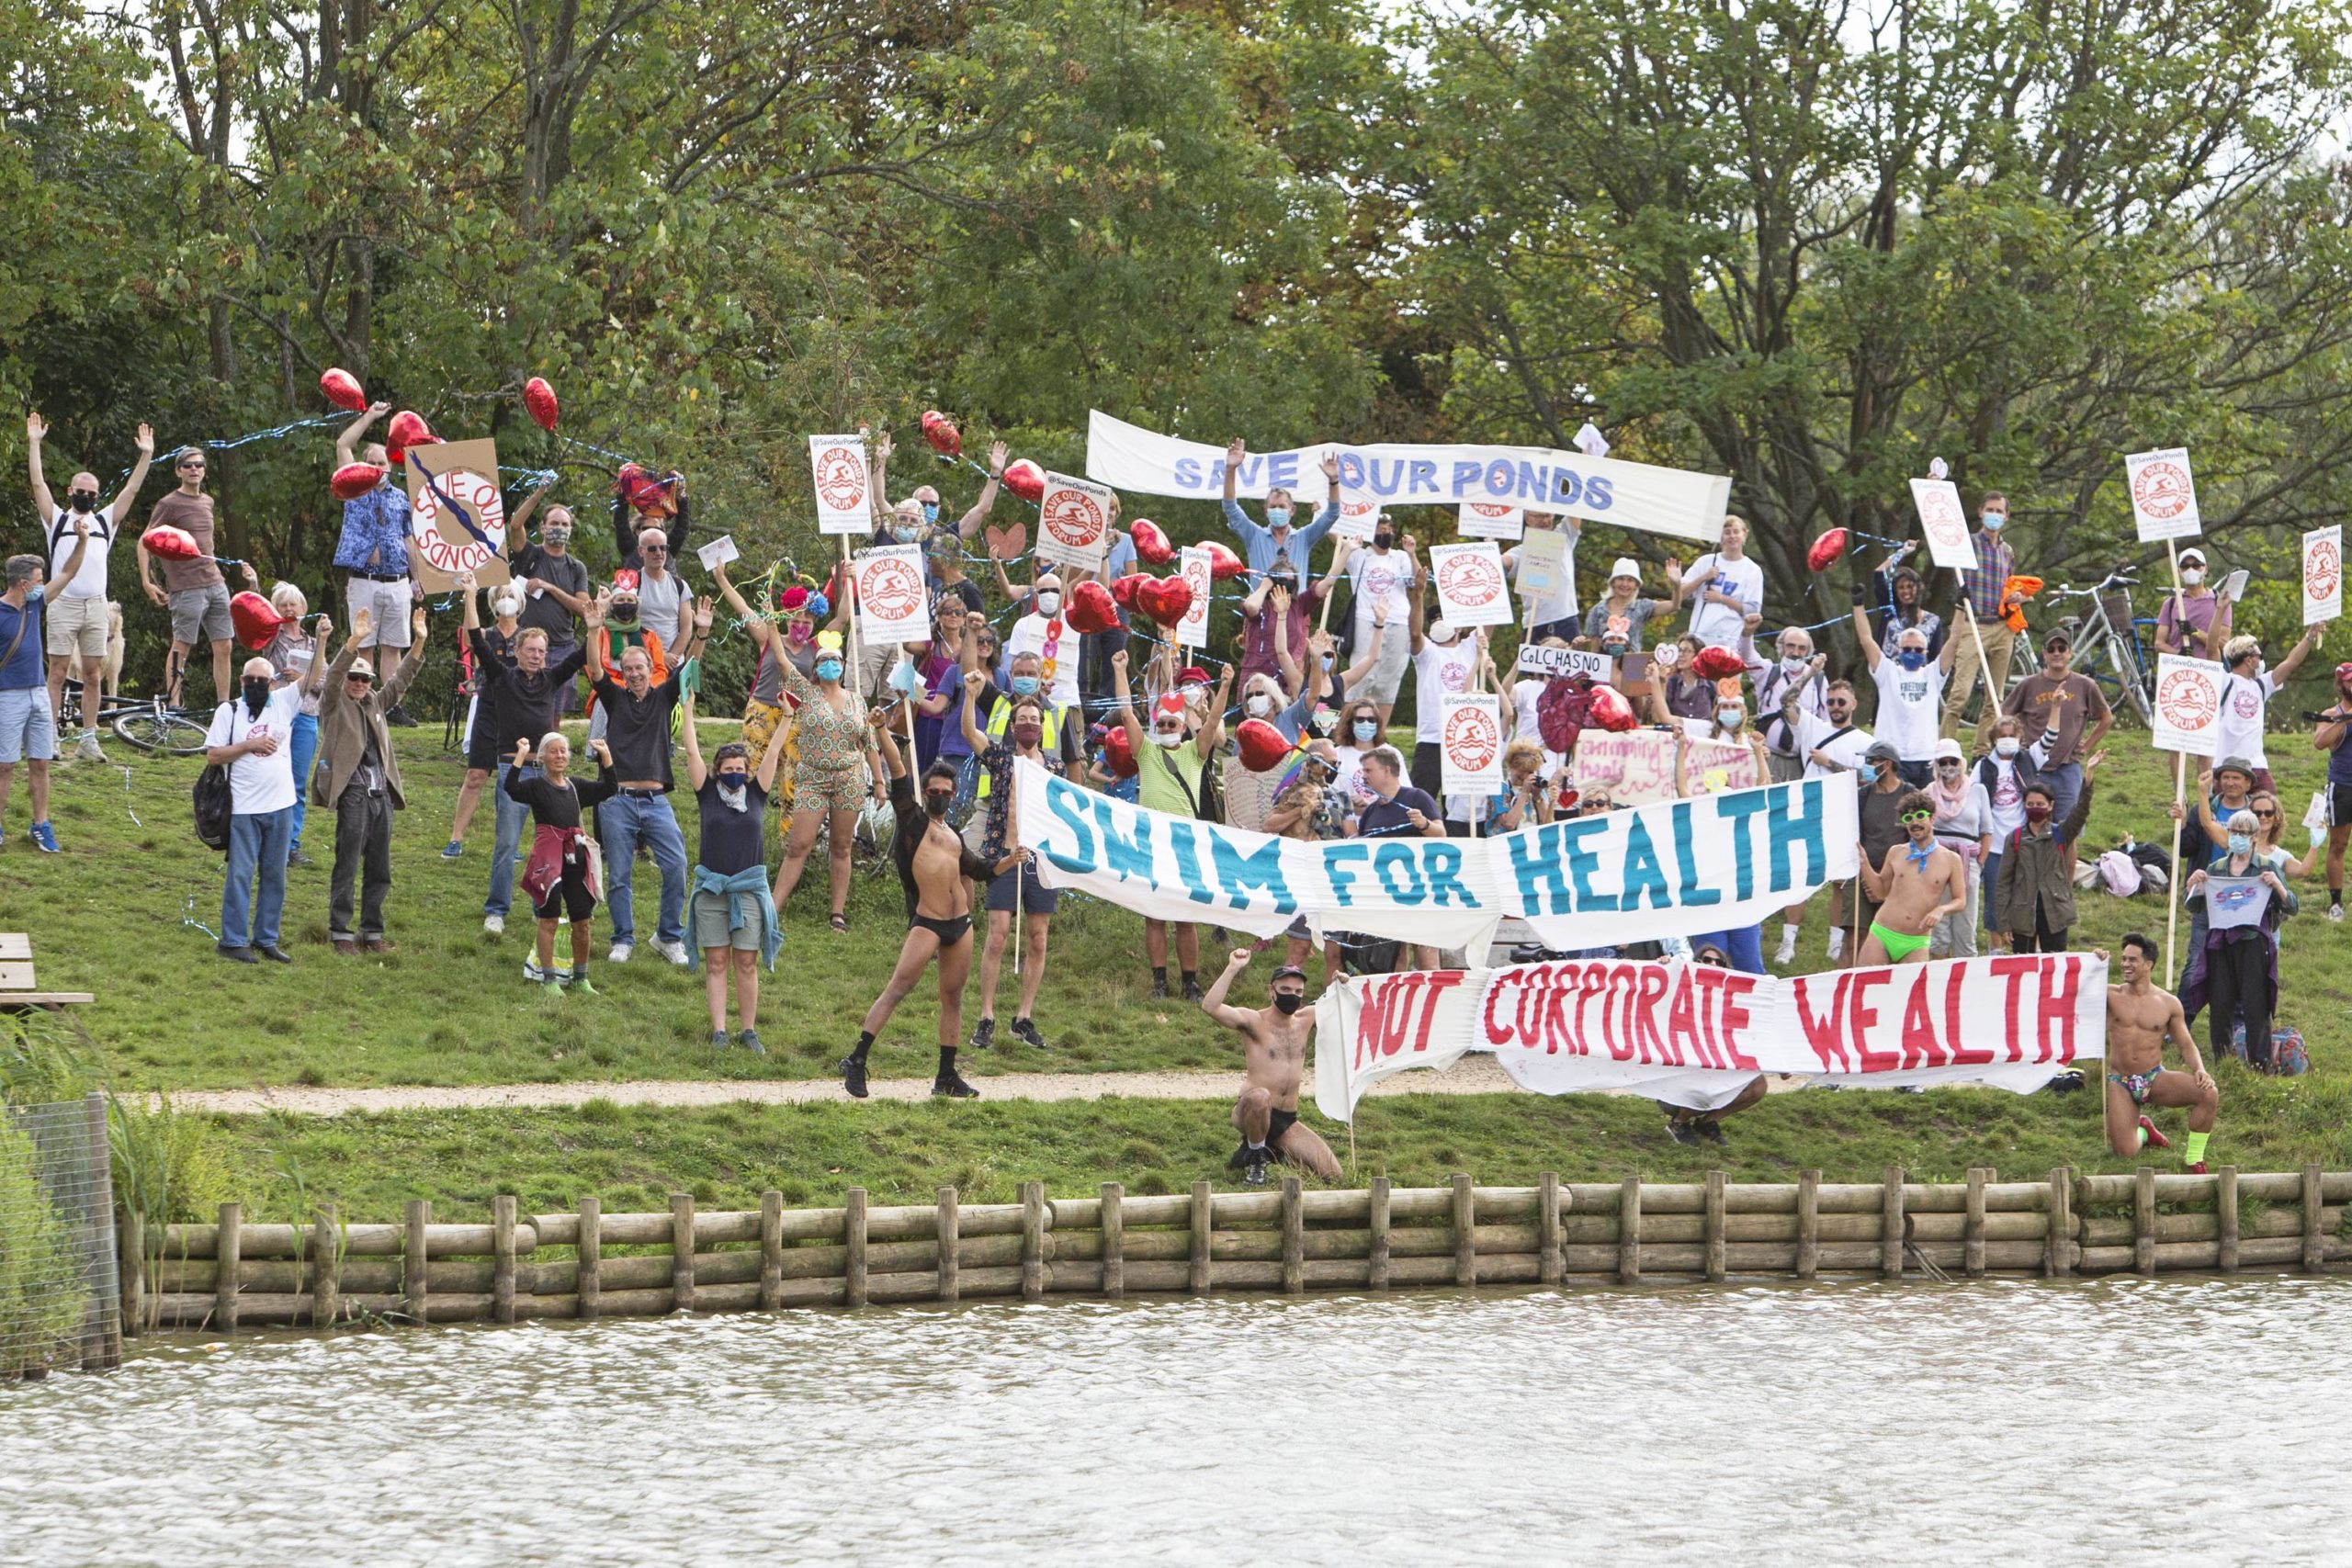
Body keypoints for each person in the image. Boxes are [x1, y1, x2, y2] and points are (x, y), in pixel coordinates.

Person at [841, 706, 1001, 1100]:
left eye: (948, 792)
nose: (942, 796)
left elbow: (978, 870)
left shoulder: (953, 835)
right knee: (898, 987)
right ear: (924, 792)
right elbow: (897, 771)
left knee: (953, 997)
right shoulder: (913, 820)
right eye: (935, 791)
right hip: (928, 922)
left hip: (960, 924)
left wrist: (1009, 861)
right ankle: (857, 1058)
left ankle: (946, 1076)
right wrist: (881, 732)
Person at [584, 589, 712, 965]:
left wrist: (701, 634)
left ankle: (668, 937)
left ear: (649, 669)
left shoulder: (662, 696)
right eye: (629, 669)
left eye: (641, 668)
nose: (636, 674)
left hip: (657, 802)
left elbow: (689, 670)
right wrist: (593, 631)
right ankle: (623, 938)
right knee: (619, 874)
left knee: (676, 866)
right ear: (623, 674)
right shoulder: (615, 698)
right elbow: (594, 670)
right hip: (617, 801)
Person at [465, 580, 589, 936]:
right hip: (513, 769)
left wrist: (598, 622)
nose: (537, 656)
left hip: (548, 774)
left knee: (550, 843)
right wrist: (471, 597)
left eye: (541, 651)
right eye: (530, 650)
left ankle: (544, 907)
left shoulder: (551, 679)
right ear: (517, 651)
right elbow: (476, 638)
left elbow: (581, 655)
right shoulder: (502, 678)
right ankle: (496, 910)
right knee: (507, 843)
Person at [28, 412, 153, 760]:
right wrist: (34, 443)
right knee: (57, 672)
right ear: (70, 492)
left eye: (91, 493)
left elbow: (133, 489)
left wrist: (145, 455)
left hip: (97, 605)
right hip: (63, 602)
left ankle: (87, 738)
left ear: (98, 495)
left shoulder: (103, 521)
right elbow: (38, 485)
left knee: (94, 674)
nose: (85, 496)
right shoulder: (57, 519)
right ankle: (51, 736)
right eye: (80, 492)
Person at [1114, 647, 1232, 998]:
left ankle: (1190, 982)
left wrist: (1225, 685)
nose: (1165, 728)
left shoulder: (1193, 753)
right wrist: (1120, 670)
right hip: (1151, 841)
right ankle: (1159, 982)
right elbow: (1125, 714)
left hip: (1185, 843)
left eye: (1172, 724)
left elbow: (1211, 723)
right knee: (1154, 916)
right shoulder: (1146, 751)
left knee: (1186, 917)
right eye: (1160, 723)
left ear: (1182, 728)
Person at [315, 605, 428, 953]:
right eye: (355, 678)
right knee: (347, 862)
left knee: (380, 867)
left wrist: (419, 642)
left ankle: (372, 933)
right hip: (353, 792)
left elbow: (401, 680)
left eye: (365, 679)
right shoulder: (334, 703)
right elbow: (332, 677)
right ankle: (341, 933)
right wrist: (353, 643)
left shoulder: (376, 702)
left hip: (381, 793)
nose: (360, 684)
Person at [679, 685, 786, 1053]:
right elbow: (691, 750)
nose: (736, 774)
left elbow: (773, 751)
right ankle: (720, 1031)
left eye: (741, 769)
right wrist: (688, 710)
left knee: (746, 962)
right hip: (711, 891)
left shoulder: (756, 793)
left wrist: (787, 717)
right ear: (718, 771)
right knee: (717, 961)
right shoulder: (707, 793)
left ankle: (749, 1030)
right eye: (729, 769)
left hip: (750, 891)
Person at [960, 669, 1061, 1050]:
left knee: (1038, 939)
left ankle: (1024, 1017)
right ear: (1014, 725)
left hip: (1042, 860)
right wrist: (970, 697)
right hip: (1004, 854)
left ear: (1042, 725)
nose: (1029, 725)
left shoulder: (1052, 768)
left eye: (1034, 720)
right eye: (1023, 720)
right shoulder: (1002, 757)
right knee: (998, 936)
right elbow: (971, 733)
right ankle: (986, 1016)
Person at [1198, 949, 1343, 1186]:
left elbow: (1348, 1008)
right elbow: (1210, 1007)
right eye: (1285, 990)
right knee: (1260, 1097)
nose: (1292, 996)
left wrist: (1342, 986)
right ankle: (1257, 1159)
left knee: (1333, 1174)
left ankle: (1268, 1150)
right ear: (1271, 991)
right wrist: (1233, 967)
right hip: (1252, 1109)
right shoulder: (1254, 1020)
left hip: (1286, 1119)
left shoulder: (1307, 1019)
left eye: (1298, 991)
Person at [203, 651, 311, 962]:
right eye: (249, 680)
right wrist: (249, 745)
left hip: (281, 806)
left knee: (275, 875)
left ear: (272, 682)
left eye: (262, 681)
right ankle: (232, 941)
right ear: (240, 681)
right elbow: (213, 756)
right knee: (240, 874)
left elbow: (314, 675)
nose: (255, 685)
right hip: (243, 809)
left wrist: (324, 639)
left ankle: (266, 938)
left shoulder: (284, 702)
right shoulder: (229, 711)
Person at [770, 629, 876, 931]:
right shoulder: (806, 692)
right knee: (799, 845)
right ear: (815, 668)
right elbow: (781, 659)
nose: (830, 664)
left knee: (841, 846)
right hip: (813, 779)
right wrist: (769, 625)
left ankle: (837, 913)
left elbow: (869, 743)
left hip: (849, 780)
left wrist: (879, 781)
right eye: (824, 660)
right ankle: (773, 908)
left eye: (835, 659)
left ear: (843, 665)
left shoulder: (858, 701)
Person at [2182, 808, 2297, 1072]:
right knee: (2220, 1004)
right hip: (2220, 944)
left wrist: (2278, 887)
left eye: (2243, 833)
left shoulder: (2267, 867)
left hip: (2253, 944)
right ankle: (2224, 1065)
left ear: (2255, 836)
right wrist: (2192, 885)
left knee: (2256, 1006)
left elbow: (2292, 906)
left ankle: (2261, 1065)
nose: (2237, 837)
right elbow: (2195, 907)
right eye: (2234, 832)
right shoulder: (2217, 868)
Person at [329, 402, 423, 726]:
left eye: (381, 462)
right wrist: (370, 416)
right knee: (364, 645)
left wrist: (417, 579)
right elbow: (343, 445)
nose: (376, 467)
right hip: (364, 580)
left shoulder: (400, 498)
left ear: (390, 466)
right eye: (371, 461)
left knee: (393, 646)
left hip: (397, 582)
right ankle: (364, 702)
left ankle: (392, 707)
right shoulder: (353, 488)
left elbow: (409, 540)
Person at [505, 732, 618, 993]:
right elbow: (511, 788)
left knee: (583, 920)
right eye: (553, 751)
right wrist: (521, 754)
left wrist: (606, 756)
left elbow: (608, 789)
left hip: (575, 858)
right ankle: (548, 978)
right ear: (543, 757)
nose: (559, 756)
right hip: (548, 859)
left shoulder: (575, 786)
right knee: (549, 919)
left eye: (563, 751)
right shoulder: (536, 786)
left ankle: (580, 978)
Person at [1770, 677, 1871, 966]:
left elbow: (1867, 778)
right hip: (1809, 813)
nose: (1836, 707)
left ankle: (1835, 944)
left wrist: (1829, 763)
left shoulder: (1865, 741)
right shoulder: (1814, 726)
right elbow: (1786, 701)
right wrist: (1810, 671)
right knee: (1801, 880)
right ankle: (1787, 943)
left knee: (1840, 883)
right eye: (1831, 702)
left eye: (1841, 701)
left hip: (1843, 815)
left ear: (1853, 704)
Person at [2098, 935, 2218, 1170]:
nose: (2125, 964)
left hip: (2154, 1078)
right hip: (2120, 1081)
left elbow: (2186, 1044)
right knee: (2126, 1153)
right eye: (2123, 959)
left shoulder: (2168, 1003)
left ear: (2148, 964)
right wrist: (2094, 963)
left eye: (2132, 960)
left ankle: (2194, 1158)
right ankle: (2143, 1131)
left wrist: (2200, 1070)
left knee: (2209, 1093)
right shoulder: (2110, 995)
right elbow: (2076, 986)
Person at [139, 445, 234, 709]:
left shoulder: (207, 501)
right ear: (178, 471)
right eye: (188, 465)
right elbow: (144, 541)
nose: (194, 469)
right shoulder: (168, 504)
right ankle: (173, 705)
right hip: (185, 587)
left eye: (199, 465)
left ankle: (223, 706)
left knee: (224, 645)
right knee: (182, 647)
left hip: (215, 583)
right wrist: (148, 582)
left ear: (204, 470)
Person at [1990, 630, 2111, 827]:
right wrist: (2016, 742)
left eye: (2062, 648)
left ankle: (2066, 859)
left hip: (2068, 767)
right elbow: (2003, 718)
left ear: (2070, 653)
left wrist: (2088, 745)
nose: (2057, 653)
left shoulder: (2085, 685)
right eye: (2051, 649)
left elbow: (2106, 718)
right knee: (2031, 826)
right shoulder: (2028, 685)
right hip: (2033, 769)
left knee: (2069, 827)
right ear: (2044, 654)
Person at [443, 577, 526, 858]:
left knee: (511, 777)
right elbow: (469, 638)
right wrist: (469, 597)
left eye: (511, 595)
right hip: (488, 708)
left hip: (517, 712)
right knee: (476, 774)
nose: (506, 600)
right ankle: (456, 838)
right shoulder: (487, 634)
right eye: (501, 595)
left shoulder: (528, 637)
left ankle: (509, 842)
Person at [1659, 942, 1770, 1146]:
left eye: (1718, 962)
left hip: (1719, 1065)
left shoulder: (1732, 1001)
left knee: (1758, 1085)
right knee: (1710, 1077)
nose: (1712, 964)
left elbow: (1752, 1030)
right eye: (1706, 960)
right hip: (1680, 1078)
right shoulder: (1683, 989)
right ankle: (1678, 1122)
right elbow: (1659, 989)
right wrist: (1663, 967)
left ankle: (1708, 1121)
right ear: (1696, 963)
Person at [1992, 753, 2104, 954]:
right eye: (2030, 804)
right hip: (2022, 915)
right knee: (2023, 968)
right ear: (2024, 806)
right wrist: (2004, 923)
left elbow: (2081, 811)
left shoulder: (2061, 832)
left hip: (2055, 913)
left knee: (2056, 967)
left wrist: (2089, 774)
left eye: (2041, 804)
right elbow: (2003, 883)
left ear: (2051, 806)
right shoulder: (2015, 838)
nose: (2035, 808)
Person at [248, 574, 322, 866]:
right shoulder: (270, 639)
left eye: (293, 604)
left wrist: (304, 679)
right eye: (283, 605)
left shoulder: (315, 643)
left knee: (297, 783)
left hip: (305, 716)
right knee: (266, 776)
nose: (289, 609)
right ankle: (262, 839)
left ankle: (290, 846)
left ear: (303, 608)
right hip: (277, 715)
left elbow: (326, 682)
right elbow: (253, 620)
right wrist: (253, 587)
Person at [1355, 743, 1448, 970]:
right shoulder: (1371, 811)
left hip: (1420, 891)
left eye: (1369, 771)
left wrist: (1424, 824)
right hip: (1385, 894)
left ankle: (1435, 1000)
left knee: (1426, 952)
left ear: (1387, 770)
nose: (1364, 776)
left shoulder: (1416, 797)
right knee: (1392, 955)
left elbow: (1441, 833)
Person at [1852, 592, 1959, 787]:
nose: (1912, 653)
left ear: (1926, 653)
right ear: (1899, 651)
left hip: (1925, 758)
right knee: (1892, 812)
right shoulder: (1887, 672)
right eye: (1907, 649)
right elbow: (1866, 640)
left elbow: (1954, 642)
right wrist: (1858, 605)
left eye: (1918, 650)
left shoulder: (1932, 674)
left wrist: (1960, 608)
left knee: (1923, 812)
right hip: (1891, 757)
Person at [1856, 790, 1967, 965]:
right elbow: (1880, 892)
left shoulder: (1951, 859)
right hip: (1883, 932)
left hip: (1916, 941)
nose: (1915, 823)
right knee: (1867, 986)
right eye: (1908, 818)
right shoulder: (1896, 852)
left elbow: (1960, 900)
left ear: (1932, 818)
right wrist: (1864, 864)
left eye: (1920, 816)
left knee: (1912, 992)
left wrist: (1941, 910)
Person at [1941, 490, 2019, 739]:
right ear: (1981, 512)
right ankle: (1945, 747)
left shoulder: (2007, 551)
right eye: (1990, 510)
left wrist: (2016, 596)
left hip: (2002, 627)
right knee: (1959, 695)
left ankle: (1982, 751)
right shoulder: (1968, 543)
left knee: (1994, 699)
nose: (1994, 515)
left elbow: (2010, 584)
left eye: (1999, 511)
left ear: (2006, 516)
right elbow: (1943, 530)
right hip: (1974, 624)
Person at [503, 497, 593, 711]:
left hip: (563, 648)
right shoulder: (530, 555)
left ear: (570, 529)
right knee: (522, 706)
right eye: (554, 523)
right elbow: (515, 525)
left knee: (554, 712)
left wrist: (550, 588)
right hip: (527, 645)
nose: (559, 529)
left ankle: (551, 746)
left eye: (564, 525)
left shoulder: (576, 567)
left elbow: (583, 609)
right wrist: (540, 491)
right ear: (543, 527)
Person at [2208, 629, 2320, 795]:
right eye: (2259, 656)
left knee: (2269, 810)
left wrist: (2310, 636)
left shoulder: (2261, 686)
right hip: (2227, 765)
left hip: (2257, 766)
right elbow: (2211, 649)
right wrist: (2221, 608)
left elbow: (2291, 663)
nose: (2261, 661)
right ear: (2249, 660)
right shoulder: (2225, 681)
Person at [0, 557, 60, 852]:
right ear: (23, 584)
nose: (42, 585)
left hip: (38, 692)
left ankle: (40, 825)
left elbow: (70, 573)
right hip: (7, 695)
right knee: (4, 765)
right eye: (38, 580)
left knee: (40, 762)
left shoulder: (34, 605)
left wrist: (84, 543)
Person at [1330, 529, 1417, 729]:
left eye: (1388, 528)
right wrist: (1320, 513)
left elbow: (1415, 581)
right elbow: (1335, 537)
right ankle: (1345, 733)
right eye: (1380, 527)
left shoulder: (1400, 556)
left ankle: (1379, 738)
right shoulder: (1359, 554)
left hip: (1398, 622)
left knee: (1388, 683)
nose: (1385, 532)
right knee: (1358, 680)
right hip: (1365, 620)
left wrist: (1412, 554)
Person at [1219, 440, 1342, 579]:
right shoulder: (1254, 535)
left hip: (1294, 601)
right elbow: (1230, 508)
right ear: (1266, 511)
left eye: (1282, 506)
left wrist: (1334, 481)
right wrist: (1230, 469)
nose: (1277, 510)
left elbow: (1332, 514)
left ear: (1292, 510)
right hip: (1261, 600)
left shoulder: (1304, 537)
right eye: (1273, 507)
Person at [1923, 738, 1994, 960]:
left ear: (1960, 762)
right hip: (1938, 860)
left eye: (1952, 761)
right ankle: (1938, 979)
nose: (1948, 766)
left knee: (1966, 924)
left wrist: (1980, 861)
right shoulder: (1928, 792)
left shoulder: (1978, 790)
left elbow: (1987, 830)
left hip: (1968, 860)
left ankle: (1966, 982)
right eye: (1942, 762)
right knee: (1939, 927)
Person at [1973, 716, 2036, 953]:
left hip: (2023, 842)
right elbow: (1972, 795)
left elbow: (2050, 738)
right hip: (1994, 845)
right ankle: (1995, 948)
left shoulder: (2028, 761)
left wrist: (2056, 708)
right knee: (1994, 898)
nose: (2008, 740)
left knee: (2027, 896)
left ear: (2020, 738)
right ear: (1994, 739)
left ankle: (2028, 947)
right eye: (2003, 736)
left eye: (2012, 735)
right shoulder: (1983, 766)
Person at [1674, 514, 1764, 650]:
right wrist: (1703, 577)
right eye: (1727, 532)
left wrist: (1721, 599)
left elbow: (1752, 610)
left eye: (1736, 531)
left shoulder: (1752, 570)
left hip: (1730, 643)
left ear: (1745, 534)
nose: (1732, 536)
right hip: (1699, 642)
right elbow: (1680, 594)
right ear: (1720, 537)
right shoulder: (1706, 562)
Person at [1755, 632, 1829, 784]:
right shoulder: (1768, 672)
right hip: (1770, 757)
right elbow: (1747, 656)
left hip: (1802, 762)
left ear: (1808, 652)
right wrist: (1748, 632)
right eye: (1790, 646)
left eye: (1802, 648)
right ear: (1781, 647)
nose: (1795, 652)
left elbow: (1826, 722)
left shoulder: (1818, 678)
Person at [2312, 660, 2352, 920]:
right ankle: (2335, 903)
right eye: (2349, 681)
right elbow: (2319, 742)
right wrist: (2344, 719)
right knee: (2338, 844)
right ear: (2340, 684)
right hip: (2343, 785)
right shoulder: (2332, 712)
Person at [2154, 546, 2231, 660]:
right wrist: (2178, 653)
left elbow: (2224, 644)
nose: (2191, 570)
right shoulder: (2171, 603)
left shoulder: (2219, 602)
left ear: (2206, 569)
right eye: (2185, 566)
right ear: (2179, 571)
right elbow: (2159, 644)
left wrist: (2195, 632)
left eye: (2196, 565)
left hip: (2209, 670)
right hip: (2177, 670)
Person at [1868, 558, 1944, 660]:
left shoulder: (1933, 621)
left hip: (1920, 674)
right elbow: (1878, 573)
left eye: (1909, 586)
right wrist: (1902, 552)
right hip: (1889, 673)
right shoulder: (1890, 613)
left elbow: (1936, 658)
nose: (1906, 591)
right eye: (1901, 587)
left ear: (1918, 588)